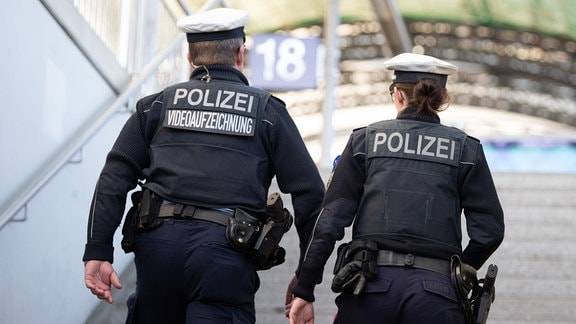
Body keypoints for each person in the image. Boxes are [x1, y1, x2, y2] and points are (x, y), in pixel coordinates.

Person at [82, 7, 325, 324]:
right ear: (240, 54)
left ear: (189, 57)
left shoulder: (155, 105)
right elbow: (311, 193)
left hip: (157, 251)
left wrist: (98, 250)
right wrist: (306, 279)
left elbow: (115, 176)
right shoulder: (268, 112)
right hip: (224, 258)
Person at [288, 53, 505, 324]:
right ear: (441, 98)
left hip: (368, 290)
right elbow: (490, 230)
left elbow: (329, 222)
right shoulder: (466, 149)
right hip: (437, 295)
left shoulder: (364, 141)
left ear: (398, 96)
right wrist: (457, 270)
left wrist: (304, 289)